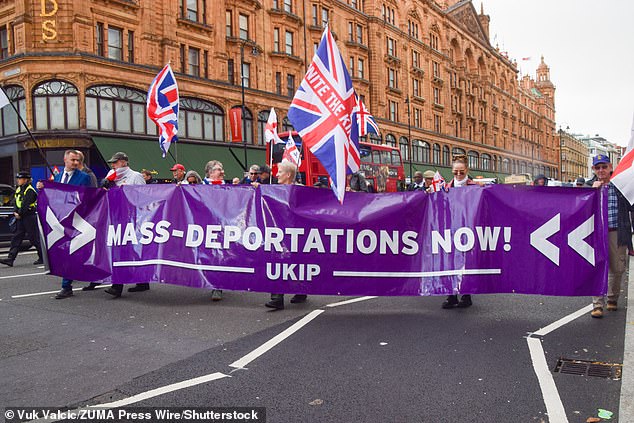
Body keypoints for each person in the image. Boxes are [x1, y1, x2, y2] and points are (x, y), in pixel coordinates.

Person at [34, 150, 92, 298]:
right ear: (65, 159)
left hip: (76, 221)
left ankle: (67, 285)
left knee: (74, 252)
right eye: (73, 160)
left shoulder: (84, 177)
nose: (76, 163)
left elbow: (88, 197)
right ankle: (71, 284)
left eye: (78, 160)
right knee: (66, 252)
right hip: (60, 221)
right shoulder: (58, 176)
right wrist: (43, 187)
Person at [589, 155, 633, 318]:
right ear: (594, 169)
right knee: (597, 266)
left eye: (604, 167)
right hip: (596, 232)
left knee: (617, 267)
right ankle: (597, 304)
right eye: (597, 167)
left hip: (617, 231)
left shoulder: (620, 186)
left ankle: (612, 299)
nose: (601, 171)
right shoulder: (590, 186)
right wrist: (593, 191)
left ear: (610, 167)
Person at [101, 152, 149, 298]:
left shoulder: (135, 176)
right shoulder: (111, 176)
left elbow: (143, 197)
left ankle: (139, 281)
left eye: (115, 163)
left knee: (133, 250)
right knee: (119, 251)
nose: (113, 165)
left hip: (131, 218)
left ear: (123, 162)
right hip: (116, 218)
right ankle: (119, 285)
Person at [265, 162, 307, 310]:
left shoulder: (300, 191)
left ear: (288, 175)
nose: (276, 174)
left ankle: (301, 290)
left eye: (280, 172)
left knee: (297, 262)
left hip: (297, 233)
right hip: (279, 233)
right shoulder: (274, 189)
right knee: (278, 261)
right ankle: (277, 298)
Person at [442, 155, 478, 309]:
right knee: (450, 261)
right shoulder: (445, 188)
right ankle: (452, 295)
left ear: (467, 170)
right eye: (455, 172)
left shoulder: (475, 187)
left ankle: (466, 294)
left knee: (465, 262)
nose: (458, 175)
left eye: (461, 172)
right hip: (450, 229)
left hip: (468, 229)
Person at [0, 172, 43, 268]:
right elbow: (15, 202)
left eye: (20, 179)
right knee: (16, 237)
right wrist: (15, 212)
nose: (18, 180)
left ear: (25, 180)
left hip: (29, 217)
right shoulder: (19, 189)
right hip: (21, 217)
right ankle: (10, 259)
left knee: (34, 239)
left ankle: (42, 257)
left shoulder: (30, 191)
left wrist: (19, 213)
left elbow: (25, 204)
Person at [201, 160, 224, 301]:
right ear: (210, 172)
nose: (221, 171)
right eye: (218, 169)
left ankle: (217, 286)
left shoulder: (227, 187)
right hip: (204, 226)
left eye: (222, 169)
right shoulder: (200, 186)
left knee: (218, 256)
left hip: (221, 227)